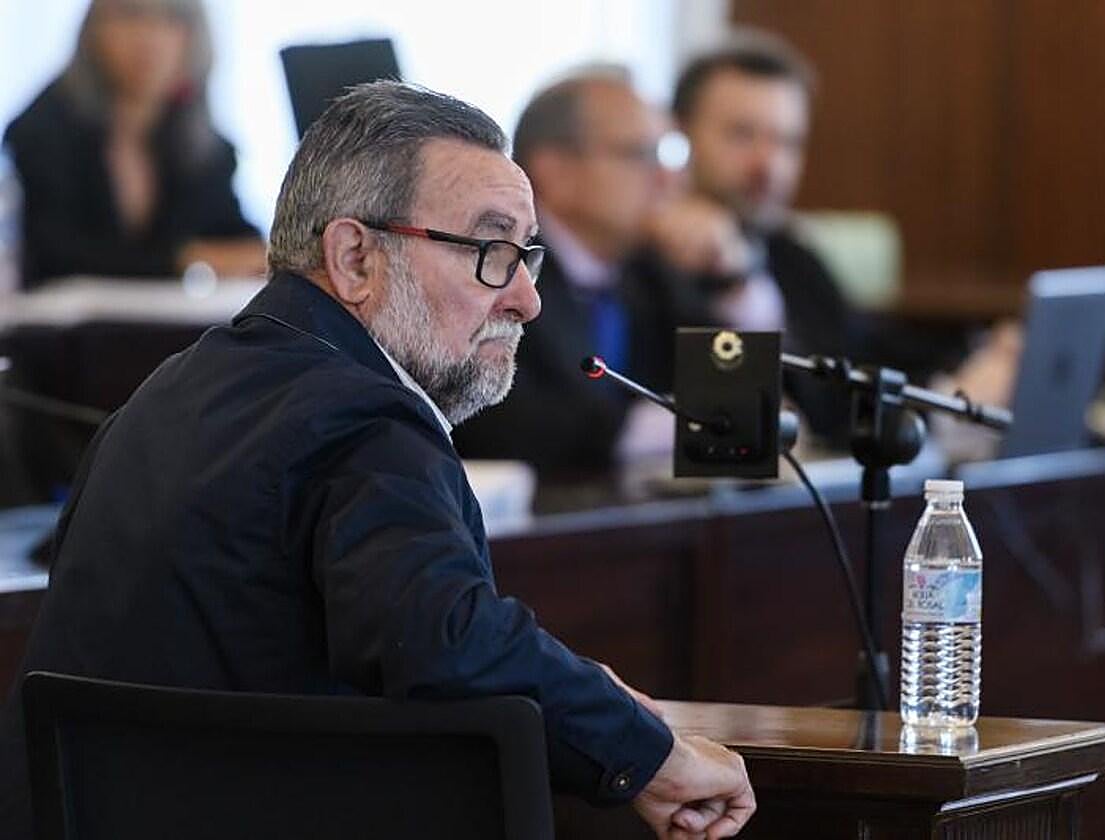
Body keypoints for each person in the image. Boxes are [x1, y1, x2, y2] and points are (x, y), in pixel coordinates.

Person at [0, 81, 755, 839]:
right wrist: (647, 752)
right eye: (491, 252)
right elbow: (447, 641)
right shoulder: (362, 415)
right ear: (355, 257)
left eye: (527, 255)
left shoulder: (165, 393)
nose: (526, 299)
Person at [657, 33, 1019, 442]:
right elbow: (809, 413)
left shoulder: (787, 251)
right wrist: (939, 410)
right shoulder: (645, 263)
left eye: (787, 142)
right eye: (742, 135)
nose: (768, 164)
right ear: (679, 135)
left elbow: (863, 351)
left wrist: (983, 353)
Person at [454, 68, 710, 476]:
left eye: (668, 156)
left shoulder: (655, 269)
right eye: (640, 155)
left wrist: (737, 278)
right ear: (556, 172)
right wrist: (658, 428)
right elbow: (502, 424)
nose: (668, 179)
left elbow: (736, 390)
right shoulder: (493, 269)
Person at [2, 0, 263, 288]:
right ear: (93, 30)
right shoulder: (42, 130)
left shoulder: (201, 145)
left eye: (171, 20)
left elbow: (234, 235)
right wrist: (186, 259)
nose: (149, 37)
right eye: (129, 15)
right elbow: (55, 255)